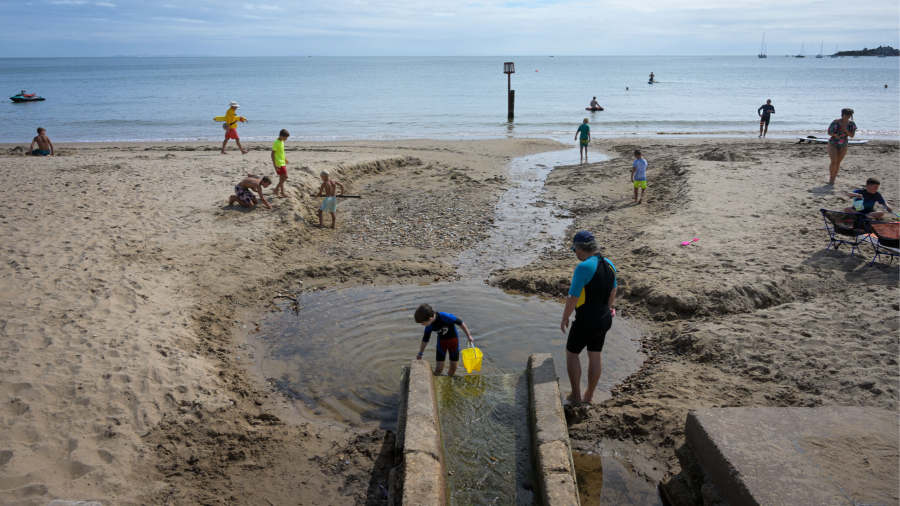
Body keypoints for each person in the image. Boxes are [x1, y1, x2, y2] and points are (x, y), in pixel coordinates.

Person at [560, 231, 617, 405]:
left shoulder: (583, 267)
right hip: (605, 319)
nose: (575, 253)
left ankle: (575, 396)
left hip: (587, 320)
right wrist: (606, 309)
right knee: (595, 356)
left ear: (579, 249)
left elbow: (573, 297)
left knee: (572, 354)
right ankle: (589, 395)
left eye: (574, 249)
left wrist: (565, 317)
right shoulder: (609, 263)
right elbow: (613, 290)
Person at [414, 303, 474, 376]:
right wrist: (420, 353)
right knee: (439, 369)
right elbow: (425, 339)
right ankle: (435, 382)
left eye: (422, 323)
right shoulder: (429, 326)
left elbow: (460, 322)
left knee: (454, 368)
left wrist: (469, 335)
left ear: (430, 319)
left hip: (454, 343)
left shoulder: (445, 317)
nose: (421, 324)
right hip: (442, 344)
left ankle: (448, 382)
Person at [826, 108, 857, 185]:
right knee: (834, 161)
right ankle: (831, 177)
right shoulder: (836, 122)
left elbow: (852, 135)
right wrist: (835, 135)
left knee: (838, 162)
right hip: (833, 142)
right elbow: (829, 132)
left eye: (849, 115)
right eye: (846, 115)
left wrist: (845, 130)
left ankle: (834, 178)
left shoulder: (851, 124)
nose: (847, 117)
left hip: (844, 143)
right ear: (842, 114)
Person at [271, 129, 291, 198]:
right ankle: (276, 190)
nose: (286, 139)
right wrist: (274, 165)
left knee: (281, 178)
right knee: (285, 177)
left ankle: (282, 192)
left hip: (282, 161)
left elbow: (280, 152)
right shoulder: (276, 143)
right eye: (285, 137)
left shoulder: (281, 141)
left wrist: (285, 159)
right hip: (279, 163)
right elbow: (272, 154)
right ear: (281, 136)